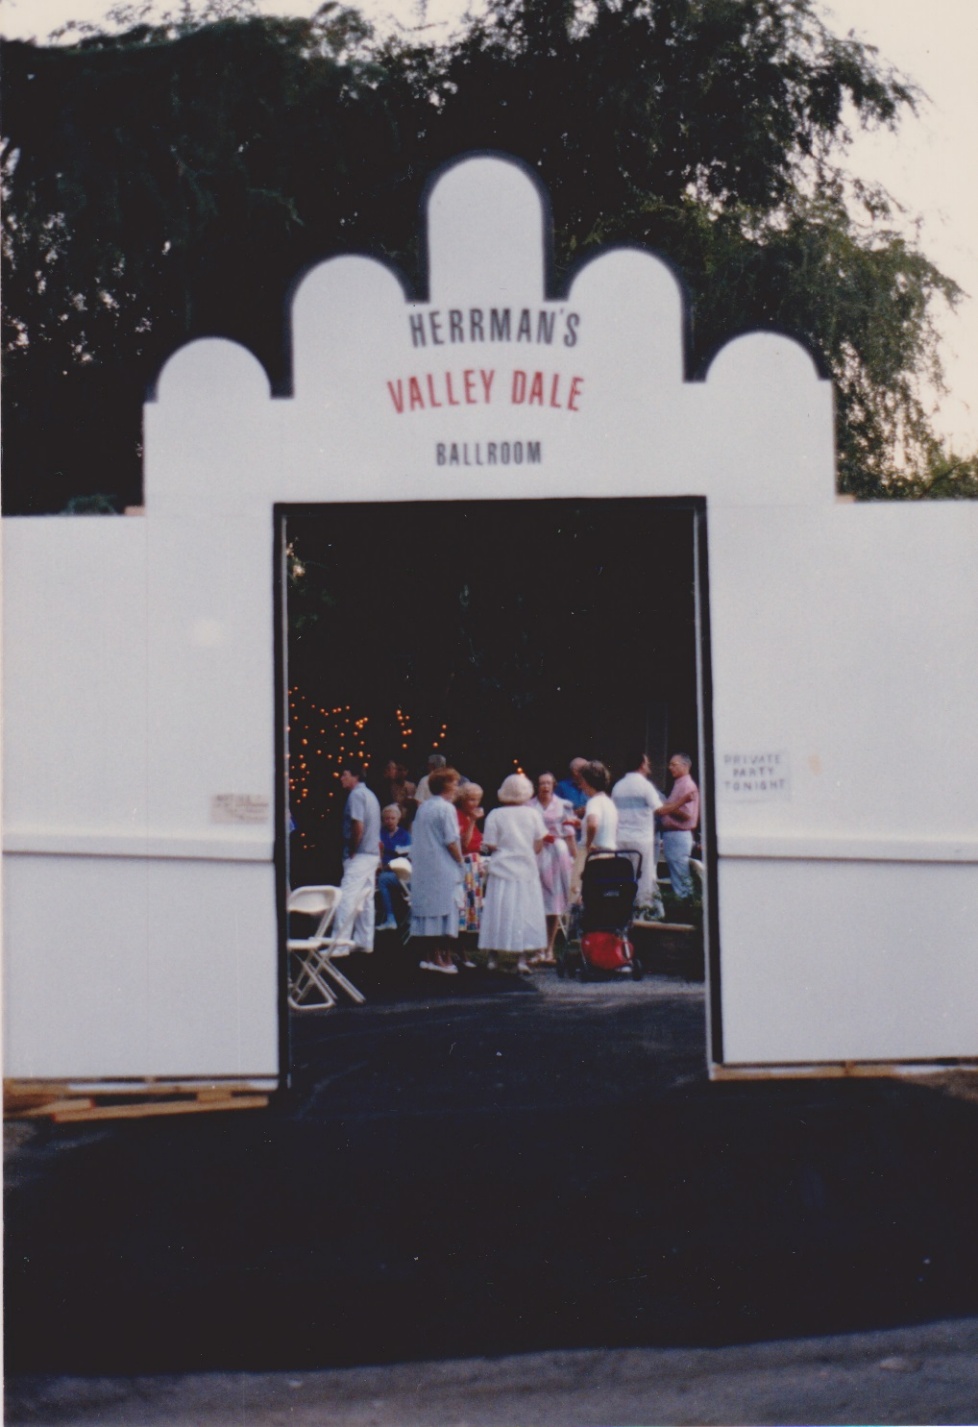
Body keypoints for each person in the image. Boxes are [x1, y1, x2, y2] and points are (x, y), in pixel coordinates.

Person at [478, 773, 547, 974]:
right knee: (524, 912)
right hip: (525, 868)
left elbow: (490, 844)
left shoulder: (495, 814)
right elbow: (539, 843)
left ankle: (492, 958)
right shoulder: (533, 814)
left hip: (501, 867)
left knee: (497, 911)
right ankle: (521, 960)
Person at [410, 766, 464, 973]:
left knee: (429, 911)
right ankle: (441, 959)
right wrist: (460, 861)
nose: (457, 787)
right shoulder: (446, 808)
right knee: (442, 910)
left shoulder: (423, 807)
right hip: (442, 865)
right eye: (455, 783)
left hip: (425, 865)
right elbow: (451, 840)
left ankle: (429, 956)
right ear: (446, 786)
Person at [332, 761, 382, 952]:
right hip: (371, 854)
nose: (342, 778)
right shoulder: (370, 795)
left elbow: (358, 825)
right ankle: (364, 940)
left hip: (360, 853)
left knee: (347, 896)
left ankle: (340, 944)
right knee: (366, 898)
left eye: (345, 774)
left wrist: (352, 848)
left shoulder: (356, 795)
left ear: (355, 776)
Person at [529, 771, 576, 963]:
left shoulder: (564, 805)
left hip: (557, 853)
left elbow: (569, 832)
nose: (545, 786)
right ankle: (537, 949)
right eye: (541, 783)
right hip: (537, 852)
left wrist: (575, 858)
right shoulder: (529, 805)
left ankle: (549, 949)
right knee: (536, 901)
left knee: (555, 902)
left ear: (554, 785)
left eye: (548, 783)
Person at [612, 750, 664, 918]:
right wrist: (682, 801)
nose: (649, 766)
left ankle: (623, 913)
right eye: (647, 763)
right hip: (641, 840)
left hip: (621, 840)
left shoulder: (617, 787)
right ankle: (642, 914)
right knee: (644, 879)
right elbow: (660, 810)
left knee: (623, 878)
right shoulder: (645, 786)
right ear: (641, 765)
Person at [657, 753, 700, 903]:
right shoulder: (679, 783)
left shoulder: (687, 785)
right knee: (676, 874)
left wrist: (667, 808)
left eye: (673, 765)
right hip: (672, 835)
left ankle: (686, 906)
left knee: (680, 874)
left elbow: (687, 814)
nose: (670, 768)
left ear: (685, 766)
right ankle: (683, 904)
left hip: (679, 834)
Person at [455, 782, 486, 935]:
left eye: (477, 799)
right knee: (465, 901)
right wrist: (473, 821)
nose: (475, 803)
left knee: (473, 900)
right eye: (471, 800)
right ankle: (460, 935)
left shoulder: (468, 816)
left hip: (474, 863)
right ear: (463, 800)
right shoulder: (459, 816)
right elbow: (463, 844)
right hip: (465, 862)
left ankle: (469, 933)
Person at [376, 804, 412, 932]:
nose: (390, 821)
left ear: (398, 819)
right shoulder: (380, 834)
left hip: (401, 874)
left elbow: (408, 857)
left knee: (383, 879)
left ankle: (390, 919)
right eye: (387, 818)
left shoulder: (405, 835)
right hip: (382, 869)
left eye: (392, 818)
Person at [578, 761, 618, 855]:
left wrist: (588, 844)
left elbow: (593, 824)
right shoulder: (609, 802)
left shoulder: (593, 802)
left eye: (582, 782)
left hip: (593, 855)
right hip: (609, 854)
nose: (581, 786)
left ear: (589, 782)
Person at [379, 759, 417, 827]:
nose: (399, 772)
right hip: (390, 820)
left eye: (402, 770)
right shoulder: (389, 786)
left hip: (406, 820)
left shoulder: (411, 786)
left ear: (407, 771)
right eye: (396, 769)